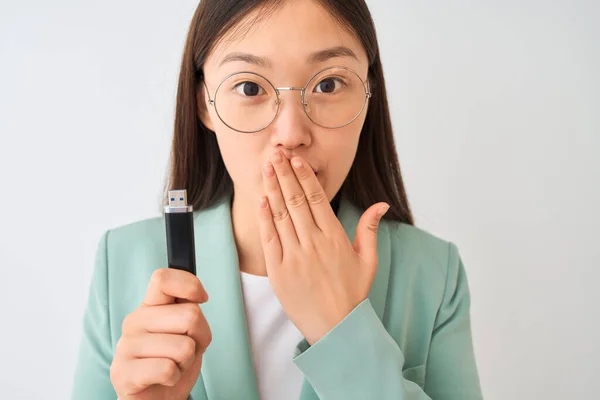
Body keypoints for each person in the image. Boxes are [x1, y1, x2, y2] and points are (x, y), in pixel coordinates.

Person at [71, 0, 484, 399]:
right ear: (204, 104)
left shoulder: (433, 273)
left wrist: (343, 331)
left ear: (368, 94)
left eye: (328, 84)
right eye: (249, 87)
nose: (291, 133)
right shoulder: (122, 262)